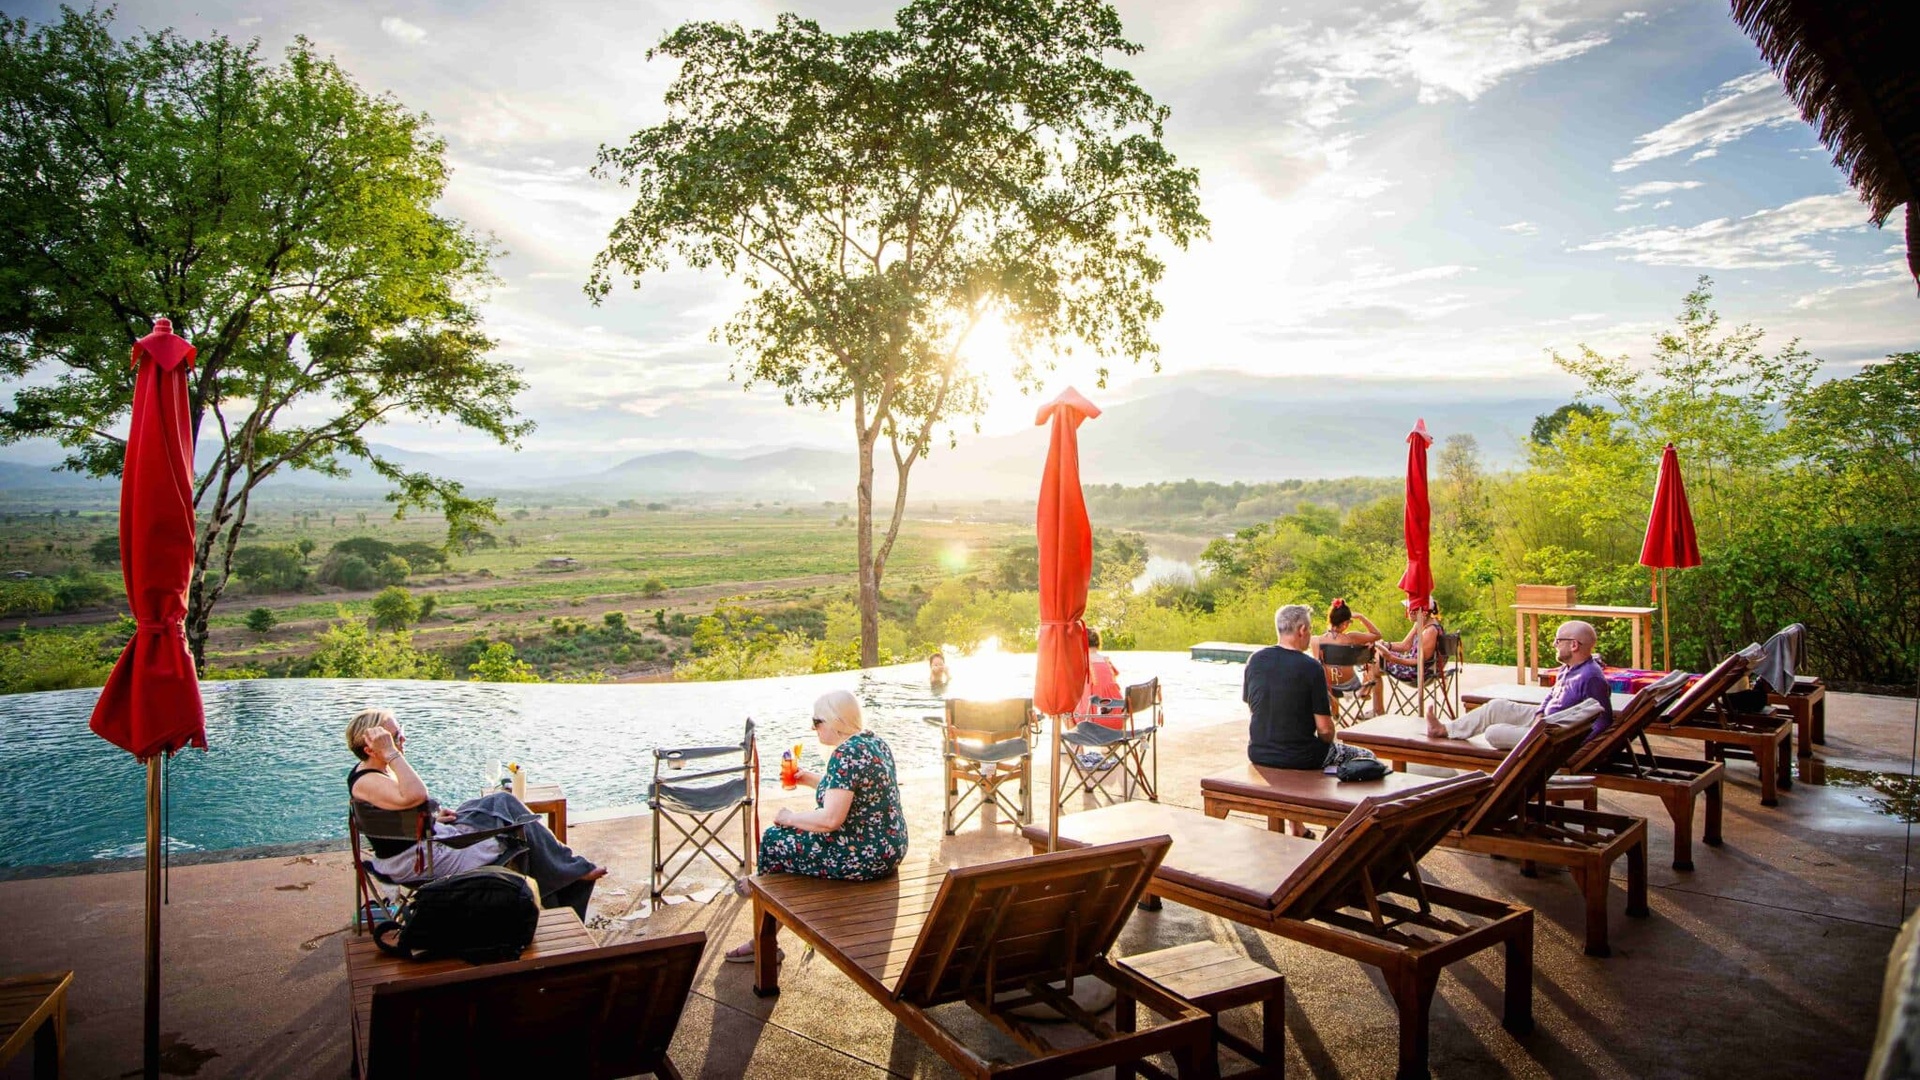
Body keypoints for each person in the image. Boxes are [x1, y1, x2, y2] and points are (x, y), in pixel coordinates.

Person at [346, 708, 606, 918]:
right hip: (427, 858)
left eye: (400, 733)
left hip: (427, 838)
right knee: (519, 831)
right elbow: (416, 795)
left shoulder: (371, 772)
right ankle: (571, 875)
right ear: (371, 749)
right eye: (395, 736)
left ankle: (569, 867)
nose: (402, 740)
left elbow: (392, 816)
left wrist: (430, 817)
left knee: (500, 801)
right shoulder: (369, 781)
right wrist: (392, 754)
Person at [726, 690, 909, 962]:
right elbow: (852, 792)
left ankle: (763, 937)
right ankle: (762, 890)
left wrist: (789, 817)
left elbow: (830, 820)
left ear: (835, 721)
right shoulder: (873, 742)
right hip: (889, 848)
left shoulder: (844, 755)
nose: (813, 728)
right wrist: (810, 779)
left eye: (817, 721)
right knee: (792, 836)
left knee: (776, 839)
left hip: (864, 857)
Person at [1427, 620, 1614, 748]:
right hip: (1544, 721)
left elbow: (1603, 720)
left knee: (1494, 733)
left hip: (1555, 735)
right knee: (1496, 706)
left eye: (1558, 640)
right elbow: (1551, 696)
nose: (1554, 644)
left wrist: (1574, 747)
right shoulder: (1569, 667)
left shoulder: (1591, 677)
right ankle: (1444, 729)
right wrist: (1540, 713)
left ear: (1574, 645)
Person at [1245, 604, 1373, 771]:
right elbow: (1325, 730)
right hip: (1301, 756)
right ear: (1302, 629)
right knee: (1367, 757)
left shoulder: (1254, 660)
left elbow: (1254, 708)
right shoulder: (1310, 667)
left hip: (1258, 753)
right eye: (1310, 628)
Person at [1315, 598, 1384, 714]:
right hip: (1351, 686)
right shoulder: (1351, 638)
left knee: (1328, 671)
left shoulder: (1317, 640)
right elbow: (1377, 635)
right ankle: (1369, 698)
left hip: (1328, 688)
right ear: (1345, 623)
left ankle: (1335, 711)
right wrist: (1361, 617)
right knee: (1368, 669)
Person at [1376, 599, 1445, 683]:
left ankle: (1365, 688)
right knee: (1375, 652)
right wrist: (1386, 645)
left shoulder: (1431, 631)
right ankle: (1366, 688)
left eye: (1412, 609)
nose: (1408, 611)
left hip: (1418, 672)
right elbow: (1405, 645)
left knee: (1375, 658)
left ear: (1424, 612)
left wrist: (1391, 658)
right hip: (1412, 665)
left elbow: (1418, 661)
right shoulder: (1420, 624)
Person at [1074, 628, 1127, 730]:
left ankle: (1077, 745)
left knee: (1062, 709)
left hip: (1093, 720)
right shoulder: (1106, 661)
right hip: (1118, 719)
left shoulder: (1082, 663)